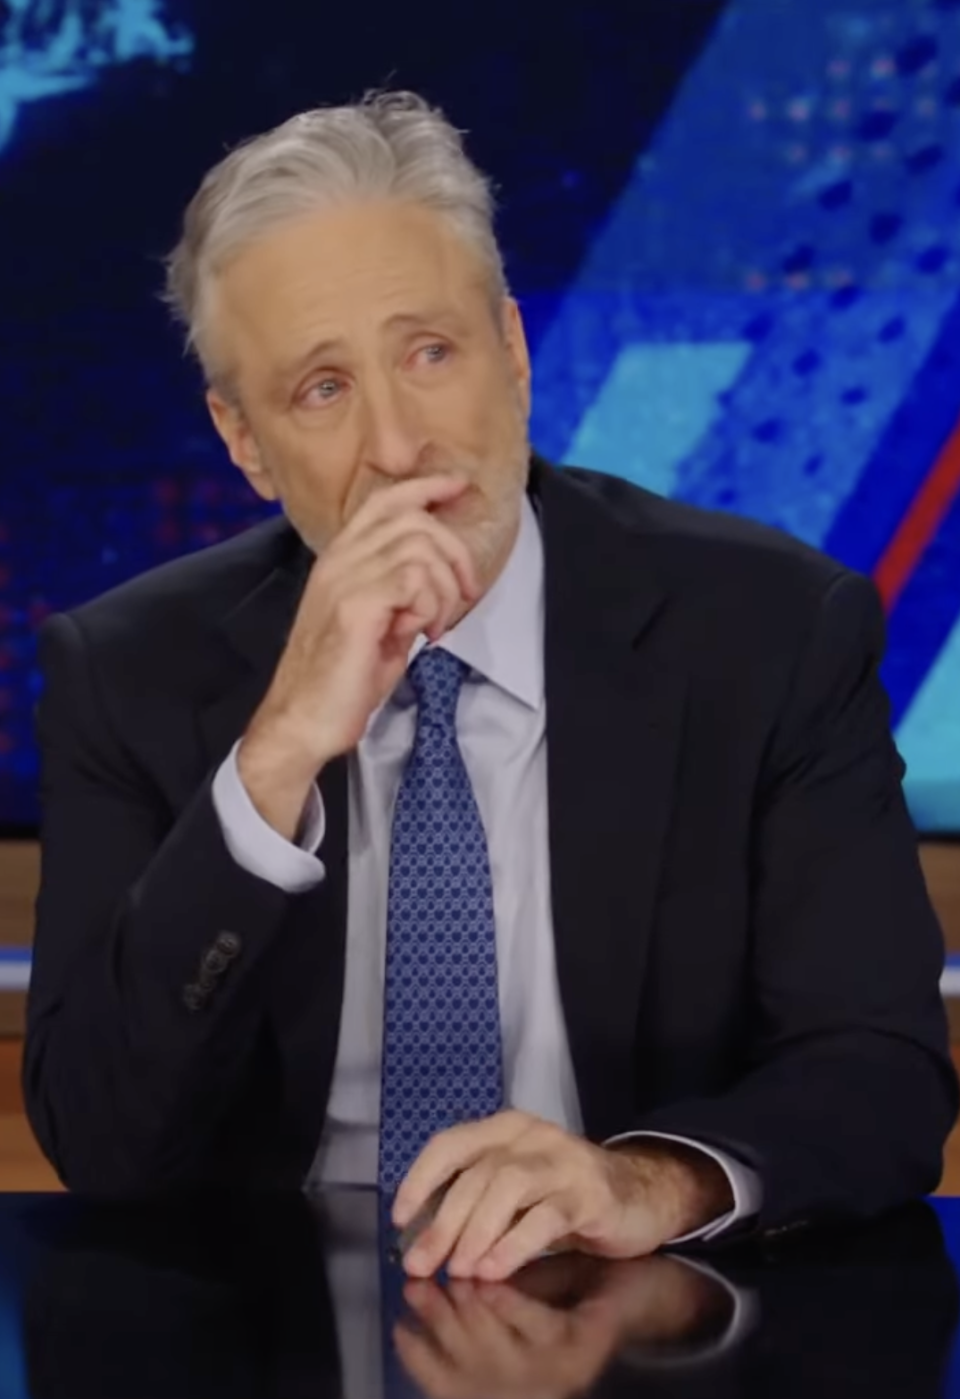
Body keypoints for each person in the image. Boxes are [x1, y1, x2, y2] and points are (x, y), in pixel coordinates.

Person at [25, 90, 957, 1282]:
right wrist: (277, 753)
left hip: (652, 1310)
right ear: (244, 441)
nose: (401, 443)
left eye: (431, 351)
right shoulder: (127, 672)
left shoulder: (771, 634)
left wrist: (645, 1178)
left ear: (512, 353)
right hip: (273, 1324)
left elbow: (879, 1069)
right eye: (322, 388)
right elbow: (103, 1140)